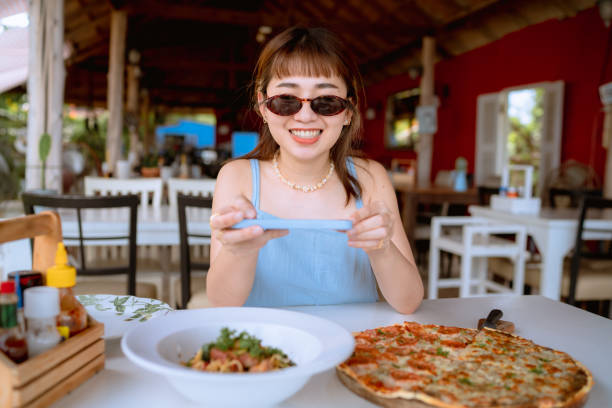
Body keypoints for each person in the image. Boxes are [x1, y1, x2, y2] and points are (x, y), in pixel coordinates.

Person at [207, 27, 423, 314]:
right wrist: (240, 252)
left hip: (356, 349)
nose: (306, 116)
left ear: (348, 111)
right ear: (263, 106)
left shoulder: (370, 177)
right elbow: (221, 304)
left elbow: (408, 302)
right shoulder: (237, 177)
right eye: (286, 100)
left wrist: (381, 249)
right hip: (266, 349)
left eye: (327, 101)